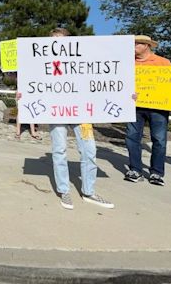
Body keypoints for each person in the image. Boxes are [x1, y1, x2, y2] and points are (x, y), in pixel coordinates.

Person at [46, 28, 114, 210]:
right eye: (54, 40)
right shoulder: (44, 63)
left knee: (89, 150)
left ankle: (89, 191)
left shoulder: (84, 60)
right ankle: (64, 190)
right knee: (59, 150)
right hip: (57, 111)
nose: (58, 43)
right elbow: (34, 85)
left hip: (82, 112)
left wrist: (124, 97)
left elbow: (103, 80)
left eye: (61, 39)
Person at [124, 35, 171, 186]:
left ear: (146, 46)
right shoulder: (127, 63)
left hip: (159, 108)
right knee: (132, 137)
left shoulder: (163, 62)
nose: (133, 46)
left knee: (159, 140)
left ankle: (156, 173)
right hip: (135, 106)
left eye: (136, 44)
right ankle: (135, 170)